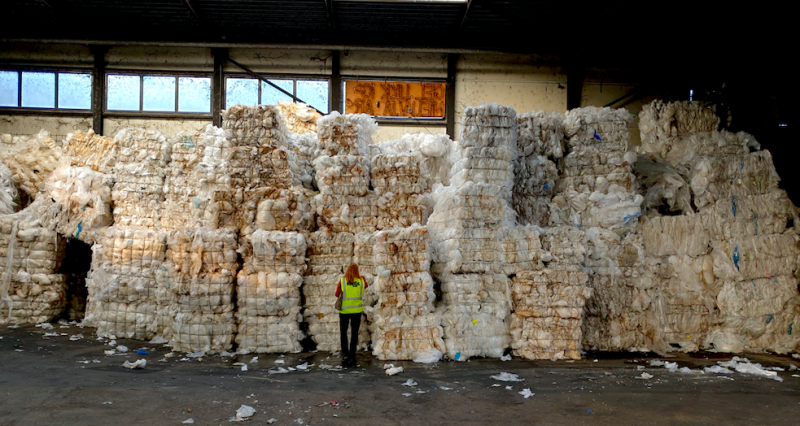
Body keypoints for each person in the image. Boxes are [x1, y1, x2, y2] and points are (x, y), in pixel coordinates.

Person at [335, 263, 368, 367]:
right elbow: (366, 285)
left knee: (343, 332)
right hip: (357, 311)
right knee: (354, 333)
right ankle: (352, 353)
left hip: (344, 311)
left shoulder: (342, 281)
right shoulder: (361, 281)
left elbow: (336, 294)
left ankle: (345, 353)